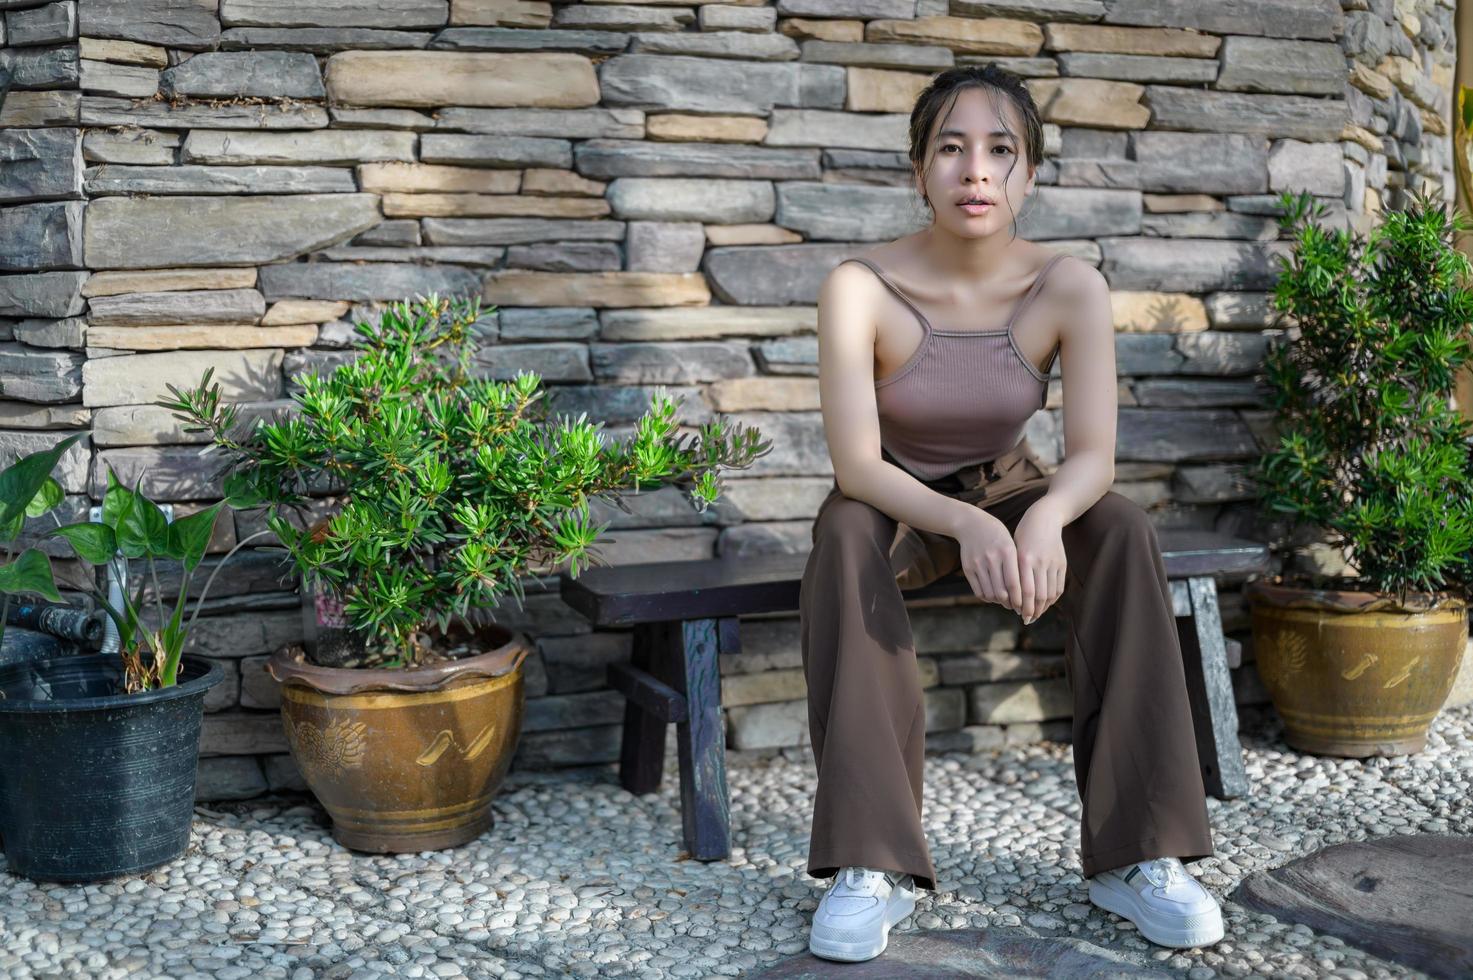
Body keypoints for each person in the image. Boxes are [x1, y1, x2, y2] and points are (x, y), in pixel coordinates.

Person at [800, 64, 1225, 963]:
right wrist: (963, 524)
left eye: (1000, 150)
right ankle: (868, 866)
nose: (975, 171)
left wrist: (1037, 517)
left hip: (1010, 480)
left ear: (1028, 174)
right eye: (950, 149)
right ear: (919, 170)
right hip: (895, 496)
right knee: (840, 536)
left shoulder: (1067, 286)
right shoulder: (859, 285)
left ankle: (1139, 855)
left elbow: (1093, 460)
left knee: (1119, 530)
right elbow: (854, 464)